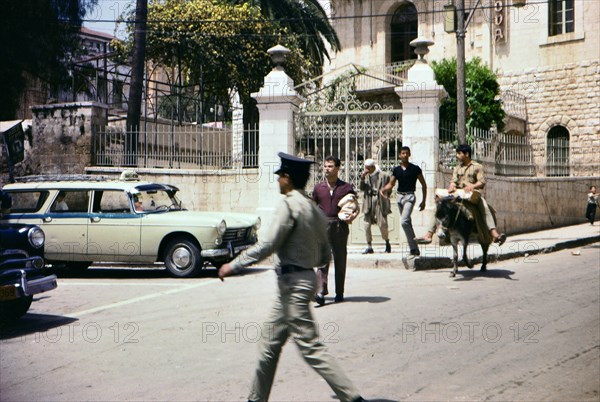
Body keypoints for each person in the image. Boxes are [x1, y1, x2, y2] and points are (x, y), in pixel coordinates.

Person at [218, 152, 365, 402]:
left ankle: (353, 398)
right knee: (269, 344)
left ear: (288, 178)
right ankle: (256, 399)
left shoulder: (288, 205)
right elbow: (324, 255)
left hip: (293, 285)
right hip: (301, 282)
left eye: (280, 176)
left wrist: (235, 265)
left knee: (310, 348)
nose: (277, 180)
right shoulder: (312, 208)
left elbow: (269, 244)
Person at [415, 144, 506, 245]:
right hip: (458, 194)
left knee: (484, 207)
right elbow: (453, 181)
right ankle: (429, 235)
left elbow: (481, 182)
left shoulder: (477, 167)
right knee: (439, 206)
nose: (457, 156)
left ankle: (494, 234)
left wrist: (472, 186)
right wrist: (452, 186)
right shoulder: (457, 168)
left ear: (466, 154)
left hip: (472, 194)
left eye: (459, 153)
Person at [312, 156, 359, 305]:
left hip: (339, 226)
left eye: (330, 166)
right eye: (325, 166)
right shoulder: (318, 188)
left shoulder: (346, 187)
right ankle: (320, 292)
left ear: (338, 168)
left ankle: (340, 292)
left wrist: (352, 216)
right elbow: (313, 206)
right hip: (322, 226)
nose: (327, 169)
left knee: (340, 259)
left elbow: (354, 206)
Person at [380, 146, 427, 256]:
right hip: (400, 197)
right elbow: (391, 184)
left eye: (407, 153)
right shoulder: (396, 170)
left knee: (404, 221)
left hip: (410, 197)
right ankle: (414, 249)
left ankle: (413, 247)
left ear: (409, 154)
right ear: (399, 155)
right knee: (407, 223)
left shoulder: (415, 169)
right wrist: (383, 189)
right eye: (402, 153)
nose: (405, 155)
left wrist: (424, 200)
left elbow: (423, 184)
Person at [359, 158, 392, 254]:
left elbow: (390, 185)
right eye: (366, 168)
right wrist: (362, 178)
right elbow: (361, 188)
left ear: (373, 167)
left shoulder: (384, 175)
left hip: (379, 201)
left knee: (382, 224)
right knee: (366, 225)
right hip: (368, 201)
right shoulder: (366, 176)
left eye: (368, 168)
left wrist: (386, 194)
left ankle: (387, 242)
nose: (366, 170)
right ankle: (369, 246)